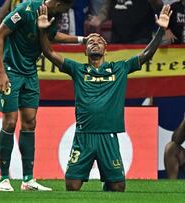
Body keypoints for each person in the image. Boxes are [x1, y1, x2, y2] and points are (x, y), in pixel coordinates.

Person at [37, 4, 172, 191]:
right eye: (91, 41)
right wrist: (42, 31)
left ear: (105, 49)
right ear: (84, 51)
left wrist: (161, 30)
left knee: (118, 187)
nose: (94, 42)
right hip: (83, 136)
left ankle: (107, 182)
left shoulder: (119, 68)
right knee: (71, 186)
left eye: (99, 41)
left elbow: (146, 54)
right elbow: (49, 52)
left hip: (108, 135)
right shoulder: (77, 69)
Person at [0, 0, 88, 192]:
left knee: (30, 122)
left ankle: (28, 179)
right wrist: (1, 72)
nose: (66, 11)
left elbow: (52, 36)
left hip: (29, 72)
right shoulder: (26, 9)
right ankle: (4, 178)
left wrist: (81, 40)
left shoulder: (51, 16)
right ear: (60, 3)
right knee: (10, 122)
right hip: (10, 70)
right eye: (65, 8)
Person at [88, 0, 163, 43]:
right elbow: (107, 7)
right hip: (118, 37)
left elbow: (159, 6)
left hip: (141, 37)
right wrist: (100, 18)